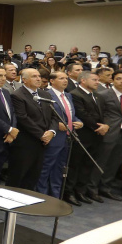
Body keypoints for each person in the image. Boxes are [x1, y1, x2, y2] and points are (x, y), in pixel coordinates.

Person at [6, 68, 56, 191]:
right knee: (18, 175)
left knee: (34, 175)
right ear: (25, 79)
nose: (38, 79)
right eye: (34, 76)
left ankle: (26, 199)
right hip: (25, 142)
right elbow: (23, 118)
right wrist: (41, 134)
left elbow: (54, 116)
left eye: (39, 76)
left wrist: (51, 132)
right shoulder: (17, 95)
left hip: (42, 142)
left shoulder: (45, 94)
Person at [38, 71, 83, 200]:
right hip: (54, 137)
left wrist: (79, 122)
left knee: (60, 168)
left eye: (66, 78)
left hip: (67, 138)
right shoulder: (46, 94)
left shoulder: (68, 95)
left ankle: (55, 196)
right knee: (46, 167)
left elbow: (71, 115)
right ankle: (41, 195)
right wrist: (56, 125)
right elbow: (43, 116)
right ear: (52, 81)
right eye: (61, 78)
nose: (65, 81)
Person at [68, 69, 108, 204]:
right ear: (83, 80)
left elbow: (105, 114)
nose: (98, 82)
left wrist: (106, 126)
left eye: (98, 80)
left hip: (96, 136)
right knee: (75, 165)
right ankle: (69, 192)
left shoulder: (97, 96)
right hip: (82, 136)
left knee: (87, 166)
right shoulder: (75, 94)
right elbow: (83, 114)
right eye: (94, 80)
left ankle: (81, 191)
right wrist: (99, 127)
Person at [97, 69, 122, 200]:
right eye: (119, 78)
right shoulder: (103, 94)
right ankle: (92, 188)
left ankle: (105, 187)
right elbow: (99, 114)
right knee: (102, 161)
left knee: (115, 162)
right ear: (113, 80)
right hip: (108, 132)